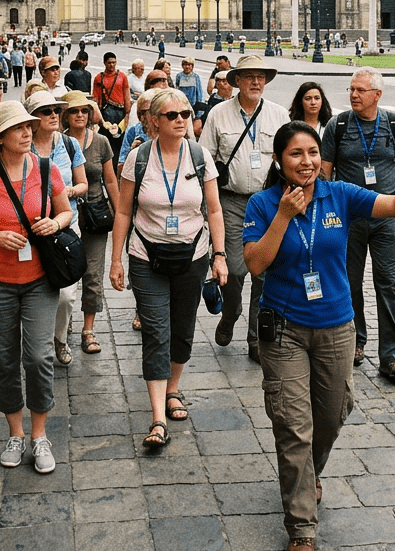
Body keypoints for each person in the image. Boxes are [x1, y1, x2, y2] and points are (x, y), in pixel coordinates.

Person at [244, 121, 395, 551]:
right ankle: (301, 523)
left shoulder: (340, 194)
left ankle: (308, 474)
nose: (307, 162)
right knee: (293, 424)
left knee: (333, 412)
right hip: (284, 328)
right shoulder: (263, 204)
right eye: (296, 154)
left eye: (313, 152)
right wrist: (282, 215)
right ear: (280, 161)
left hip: (337, 326)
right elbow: (257, 263)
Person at [0, 102, 73, 474]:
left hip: (39, 279)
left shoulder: (46, 168)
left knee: (39, 357)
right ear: (0, 138)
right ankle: (15, 433)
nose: (28, 132)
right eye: (18, 128)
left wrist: (55, 225)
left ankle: (40, 434)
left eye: (28, 126)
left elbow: (65, 211)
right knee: (4, 358)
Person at [109, 90, 227, 450]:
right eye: (172, 114)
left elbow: (215, 210)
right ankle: (158, 416)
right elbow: (124, 212)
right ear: (154, 121)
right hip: (147, 255)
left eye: (185, 113)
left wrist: (219, 255)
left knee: (182, 328)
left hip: (193, 254)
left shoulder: (200, 156)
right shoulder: (138, 158)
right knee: (156, 331)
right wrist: (116, 260)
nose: (180, 119)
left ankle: (174, 387)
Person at [320, 67, 395, 378]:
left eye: (360, 90)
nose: (353, 95)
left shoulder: (394, 125)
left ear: (377, 94)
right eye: (351, 89)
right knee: (349, 283)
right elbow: (324, 174)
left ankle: (391, 355)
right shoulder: (338, 126)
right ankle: (355, 342)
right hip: (348, 220)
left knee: (388, 284)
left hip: (387, 218)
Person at [199, 54, 290, 362]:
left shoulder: (278, 115)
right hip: (231, 202)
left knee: (264, 274)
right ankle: (230, 313)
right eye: (249, 76)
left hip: (268, 203)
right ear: (236, 81)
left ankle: (255, 338)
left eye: (260, 77)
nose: (255, 82)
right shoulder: (218, 115)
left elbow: (289, 158)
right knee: (235, 271)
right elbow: (205, 161)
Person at [26, 89, 87, 367]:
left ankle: (59, 338)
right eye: (46, 111)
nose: (53, 115)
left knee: (65, 293)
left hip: (65, 224)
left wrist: (68, 192)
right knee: (33, 288)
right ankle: (35, 341)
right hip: (32, 229)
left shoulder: (69, 144)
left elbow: (84, 183)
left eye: (55, 111)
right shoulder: (23, 147)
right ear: (32, 119)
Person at [61, 90, 119, 354]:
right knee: (65, 273)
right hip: (65, 216)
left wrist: (120, 215)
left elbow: (110, 180)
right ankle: (65, 323)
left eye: (84, 110)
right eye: (74, 111)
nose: (80, 115)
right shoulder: (57, 142)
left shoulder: (101, 142)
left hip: (95, 215)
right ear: (66, 115)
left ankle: (88, 329)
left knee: (92, 273)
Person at [93, 52, 132, 158]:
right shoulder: (98, 78)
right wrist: (99, 118)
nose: (112, 65)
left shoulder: (122, 77)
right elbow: (95, 99)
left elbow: (126, 94)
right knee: (106, 140)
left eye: (114, 62)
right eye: (109, 63)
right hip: (106, 113)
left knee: (120, 139)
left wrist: (128, 113)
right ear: (104, 63)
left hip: (120, 112)